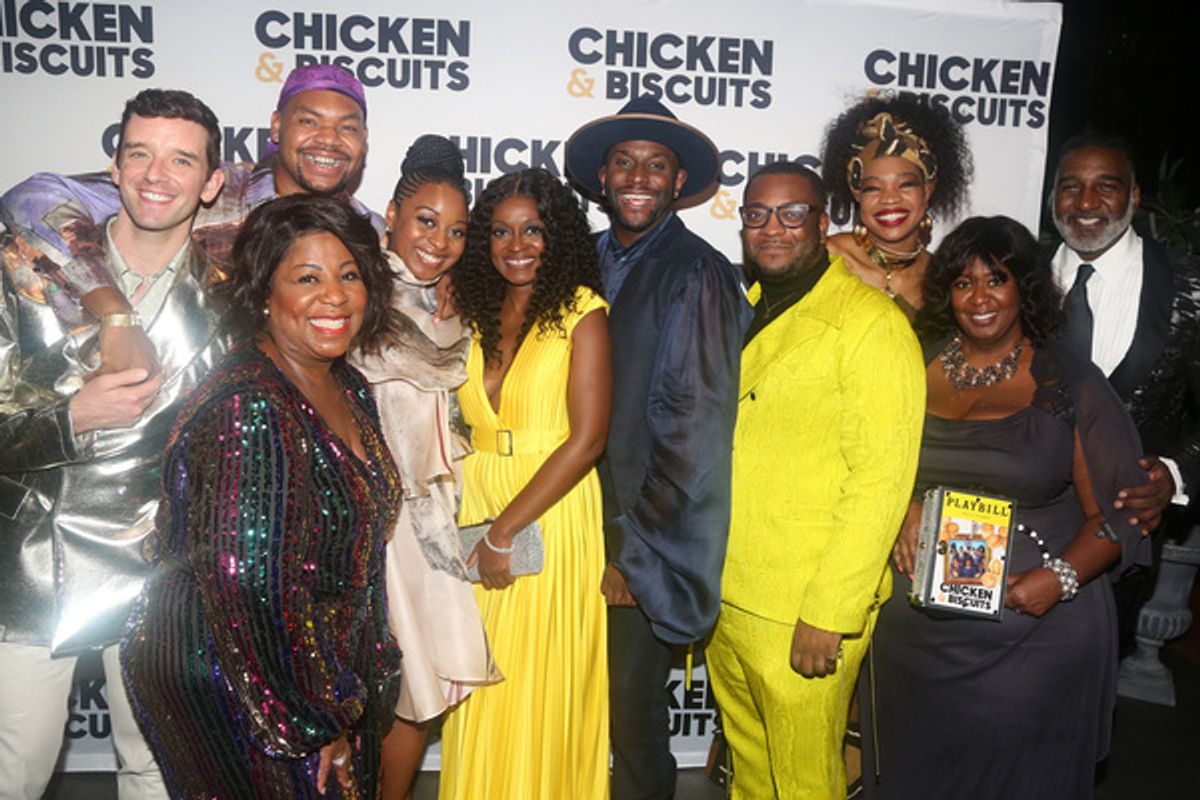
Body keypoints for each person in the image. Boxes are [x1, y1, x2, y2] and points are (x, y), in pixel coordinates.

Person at [121, 194, 402, 799]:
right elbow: (245, 584)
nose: (335, 296)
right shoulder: (249, 405)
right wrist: (309, 722)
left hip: (318, 670)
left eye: (349, 275)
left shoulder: (348, 385)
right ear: (263, 294)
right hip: (245, 683)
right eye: (307, 277)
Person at [865, 216, 1148, 799]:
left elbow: (1123, 514)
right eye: (963, 283)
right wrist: (905, 503)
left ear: (1025, 287)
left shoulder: (1070, 383)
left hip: (1031, 629)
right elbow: (865, 464)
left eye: (996, 279)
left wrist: (1056, 578)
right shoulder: (907, 365)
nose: (979, 298)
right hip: (916, 635)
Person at [0, 88, 225, 800]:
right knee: (14, 769)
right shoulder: (32, 272)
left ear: (212, 183)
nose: (156, 175)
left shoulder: (234, 293)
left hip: (162, 571)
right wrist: (72, 419)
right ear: (114, 166)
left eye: (181, 160)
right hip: (39, 565)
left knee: (157, 771)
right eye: (140, 154)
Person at [706, 163, 924, 799]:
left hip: (804, 607)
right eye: (757, 215)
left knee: (804, 781)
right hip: (729, 592)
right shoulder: (740, 309)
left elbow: (881, 481)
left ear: (824, 224)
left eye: (792, 213)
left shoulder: (871, 325)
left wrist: (829, 613)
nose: (773, 228)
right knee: (749, 771)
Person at [564, 95, 750, 800]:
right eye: (624, 162)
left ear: (678, 182)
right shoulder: (584, 260)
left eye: (656, 165)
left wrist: (632, 557)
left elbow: (693, 432)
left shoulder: (697, 272)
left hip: (640, 546)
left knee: (631, 719)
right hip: (572, 524)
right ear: (603, 178)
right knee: (578, 705)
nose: (638, 176)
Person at [0, 62, 378, 377]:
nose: (328, 140)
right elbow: (35, 199)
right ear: (277, 126)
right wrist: (113, 310)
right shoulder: (211, 186)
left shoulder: (369, 231)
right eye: (309, 122)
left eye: (347, 127)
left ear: (363, 139)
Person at [437, 168, 612, 799]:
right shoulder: (473, 314)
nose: (517, 245)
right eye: (501, 231)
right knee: (479, 689)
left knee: (540, 687)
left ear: (556, 236)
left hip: (549, 510)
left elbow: (588, 439)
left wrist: (506, 531)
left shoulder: (581, 315)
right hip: (476, 505)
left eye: (533, 230)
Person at [350, 135, 500, 800]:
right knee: (358, 690)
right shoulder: (351, 289)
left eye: (458, 231)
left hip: (432, 523)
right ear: (390, 214)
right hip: (362, 520)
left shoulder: (457, 306)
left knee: (418, 686)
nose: (439, 241)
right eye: (425, 221)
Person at [1048, 132, 1199, 586]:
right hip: (1020, 529)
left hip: (1128, 543)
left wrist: (1175, 475)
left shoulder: (1189, 285)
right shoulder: (1013, 280)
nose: (1086, 202)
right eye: (1071, 186)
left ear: (1134, 196)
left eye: (1106, 186)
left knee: (1103, 659)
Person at [820, 94, 972, 319]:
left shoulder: (942, 278)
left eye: (905, 185)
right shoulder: (827, 258)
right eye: (873, 188)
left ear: (927, 190)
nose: (889, 199)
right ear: (857, 193)